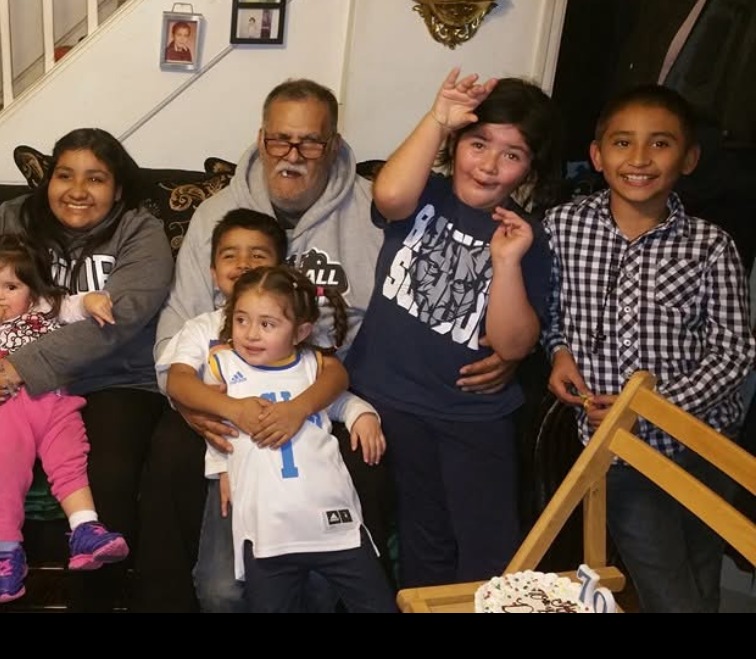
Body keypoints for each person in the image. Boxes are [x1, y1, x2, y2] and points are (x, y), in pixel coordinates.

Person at [136, 79, 518, 612]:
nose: (292, 155)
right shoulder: (216, 217)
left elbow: (413, 302)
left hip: (333, 386)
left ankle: (345, 580)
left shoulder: (373, 212)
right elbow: (177, 326)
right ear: (261, 138)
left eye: (310, 142)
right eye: (280, 140)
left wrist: (501, 350)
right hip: (227, 393)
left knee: (371, 448)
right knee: (168, 450)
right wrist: (193, 403)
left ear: (333, 144)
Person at [0, 129, 173, 611]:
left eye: (96, 179)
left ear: (118, 189)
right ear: (48, 180)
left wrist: (23, 367)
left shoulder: (140, 231)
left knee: (108, 483)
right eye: (65, 175)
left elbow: (119, 321)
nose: (77, 190)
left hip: (113, 379)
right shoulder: (11, 218)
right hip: (2, 381)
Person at [544, 84, 755, 612]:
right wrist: (558, 351)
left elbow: (733, 351)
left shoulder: (710, 245)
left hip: (705, 445)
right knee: (666, 589)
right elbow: (550, 314)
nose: (639, 158)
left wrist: (651, 407)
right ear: (597, 155)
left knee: (701, 576)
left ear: (689, 158)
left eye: (660, 144)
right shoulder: (562, 227)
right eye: (622, 143)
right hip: (616, 450)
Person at [348, 70, 560, 591]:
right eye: (478, 143)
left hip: (470, 414)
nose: (488, 164)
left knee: (491, 552)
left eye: (512, 154)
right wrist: (438, 118)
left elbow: (513, 344)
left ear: (529, 169)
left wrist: (506, 262)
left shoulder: (525, 236)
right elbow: (389, 195)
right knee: (425, 539)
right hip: (389, 398)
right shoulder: (426, 193)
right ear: (454, 144)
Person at [168, 265, 393, 613]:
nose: (251, 334)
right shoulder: (223, 366)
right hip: (267, 537)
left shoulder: (312, 367)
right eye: (241, 320)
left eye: (267, 324)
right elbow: (192, 399)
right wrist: (224, 459)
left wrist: (363, 416)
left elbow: (340, 400)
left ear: (301, 331)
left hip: (334, 526)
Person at [0, 232, 129, 601]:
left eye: (11, 286)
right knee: (2, 470)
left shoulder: (46, 306)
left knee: (70, 459)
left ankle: (85, 529)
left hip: (54, 400)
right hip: (4, 405)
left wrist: (93, 300)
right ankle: (7, 551)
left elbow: (76, 306)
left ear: (32, 289)